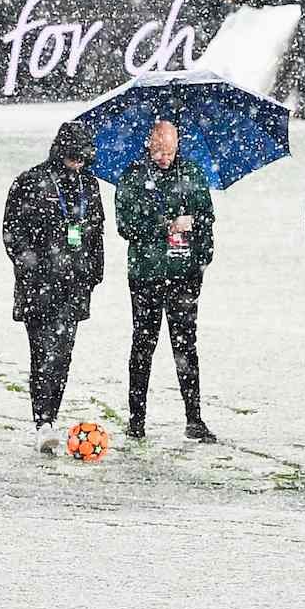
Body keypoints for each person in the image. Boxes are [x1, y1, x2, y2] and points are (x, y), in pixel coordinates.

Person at [3, 121, 105, 455]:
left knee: (63, 356)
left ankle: (52, 416)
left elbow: (96, 231)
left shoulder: (89, 184)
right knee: (42, 355)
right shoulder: (30, 181)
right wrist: (31, 264)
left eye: (82, 158)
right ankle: (42, 421)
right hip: (39, 287)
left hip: (74, 285)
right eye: (73, 157)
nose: (78, 163)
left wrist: (94, 272)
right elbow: (11, 232)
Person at [114, 120, 218, 443]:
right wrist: (166, 225)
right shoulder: (133, 177)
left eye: (170, 150)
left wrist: (200, 262)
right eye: (159, 150)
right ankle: (137, 419)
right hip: (145, 276)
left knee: (186, 346)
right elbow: (125, 225)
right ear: (149, 144)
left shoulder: (192, 174)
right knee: (143, 345)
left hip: (183, 276)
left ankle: (194, 418)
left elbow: (207, 220)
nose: (164, 157)